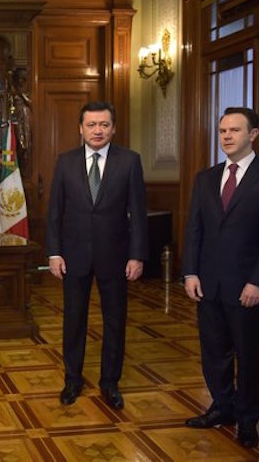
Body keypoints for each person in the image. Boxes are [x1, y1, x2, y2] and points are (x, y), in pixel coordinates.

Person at [183, 107, 259, 448]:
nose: (226, 136)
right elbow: (195, 230)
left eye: (234, 130)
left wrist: (258, 281)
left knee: (248, 357)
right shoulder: (205, 178)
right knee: (213, 352)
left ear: (253, 134)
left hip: (248, 287)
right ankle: (222, 408)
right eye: (222, 131)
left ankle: (247, 420)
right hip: (208, 284)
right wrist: (190, 272)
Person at [46, 101, 148, 410]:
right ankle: (72, 380)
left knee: (115, 322)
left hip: (115, 256)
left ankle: (110, 383)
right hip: (73, 256)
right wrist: (54, 252)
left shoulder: (129, 161)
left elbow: (139, 214)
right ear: (81, 128)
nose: (98, 130)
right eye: (91, 125)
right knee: (73, 322)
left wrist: (137, 255)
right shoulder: (65, 162)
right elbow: (54, 213)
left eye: (104, 124)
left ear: (113, 128)